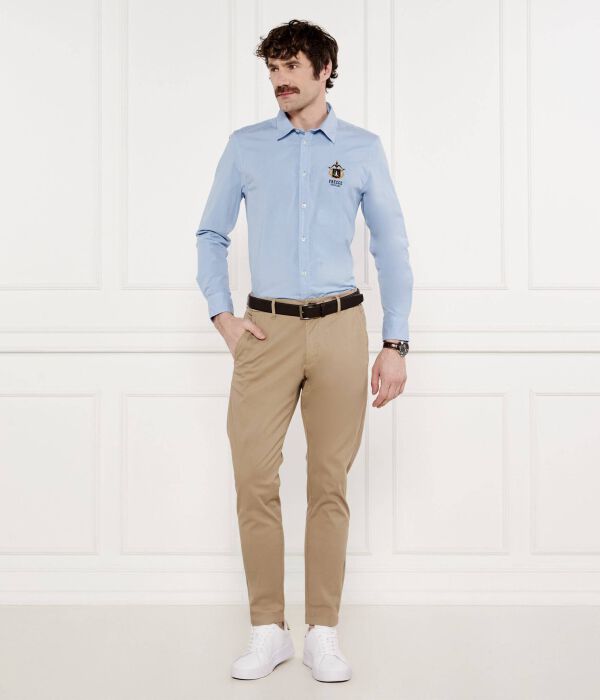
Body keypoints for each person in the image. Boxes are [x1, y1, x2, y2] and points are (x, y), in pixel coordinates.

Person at [195, 18, 413, 682]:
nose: (280, 79)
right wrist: (223, 317)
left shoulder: (362, 149)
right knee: (254, 477)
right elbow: (211, 234)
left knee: (329, 482)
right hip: (264, 332)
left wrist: (395, 342)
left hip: (342, 328)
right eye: (272, 67)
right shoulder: (246, 146)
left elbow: (391, 244)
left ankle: (322, 631)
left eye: (292, 66)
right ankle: (269, 629)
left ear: (324, 70)